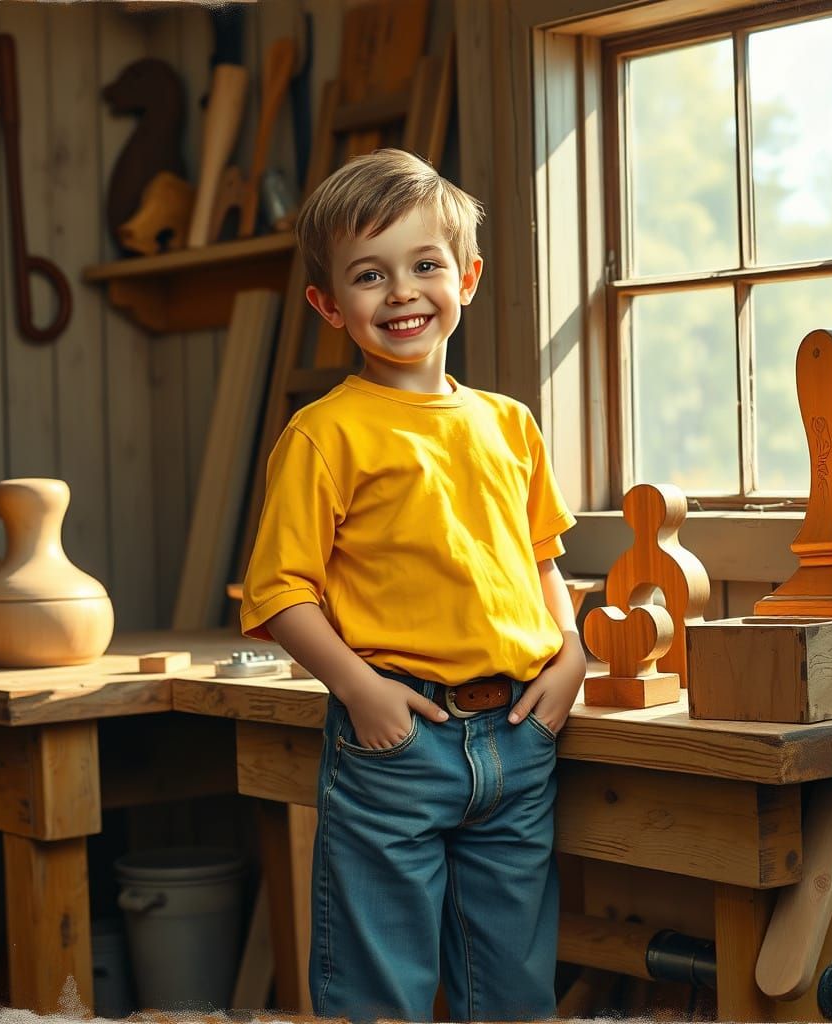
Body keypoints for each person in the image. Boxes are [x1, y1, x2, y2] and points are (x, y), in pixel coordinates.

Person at [240, 148, 586, 1023]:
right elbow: (279, 593)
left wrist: (572, 657)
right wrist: (362, 693)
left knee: (512, 994)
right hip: (398, 743)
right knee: (377, 993)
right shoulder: (325, 435)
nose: (402, 292)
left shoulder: (510, 424)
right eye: (369, 275)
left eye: (425, 265)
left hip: (519, 737)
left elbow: (542, 560)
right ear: (328, 305)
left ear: (465, 276)